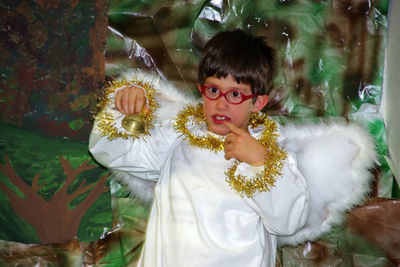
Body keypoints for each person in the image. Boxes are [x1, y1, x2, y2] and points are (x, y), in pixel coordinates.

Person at [89, 30, 376, 266]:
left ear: (258, 103)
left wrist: (261, 161)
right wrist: (127, 109)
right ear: (202, 89)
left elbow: (288, 222)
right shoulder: (177, 138)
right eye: (213, 90)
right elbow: (107, 151)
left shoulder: (273, 154)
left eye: (236, 94)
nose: (222, 103)